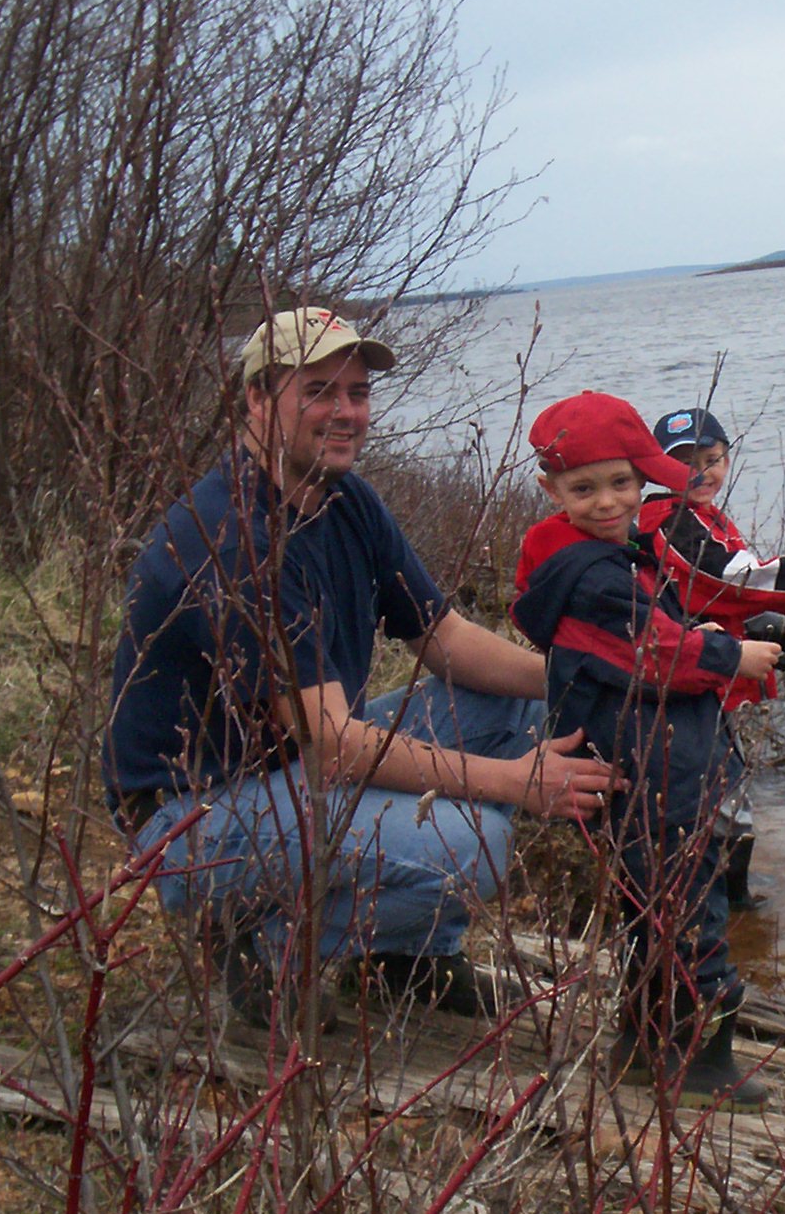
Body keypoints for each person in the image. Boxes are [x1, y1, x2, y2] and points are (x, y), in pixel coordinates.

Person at [104, 306, 620, 1027]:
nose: (346, 412)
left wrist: (586, 673)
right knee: (476, 845)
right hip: (194, 813)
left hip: (286, 767)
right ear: (257, 399)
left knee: (519, 711)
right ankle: (266, 948)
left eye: (358, 393)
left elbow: (443, 638)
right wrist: (517, 784)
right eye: (319, 391)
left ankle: (411, 957)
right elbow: (336, 746)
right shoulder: (234, 538)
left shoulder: (343, 499)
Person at [509, 391, 782, 1110]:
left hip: (644, 762)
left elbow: (658, 624)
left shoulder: (591, 554)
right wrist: (734, 657)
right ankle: (694, 1063)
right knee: (688, 914)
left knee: (653, 911)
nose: (608, 502)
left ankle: (641, 1045)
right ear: (550, 490)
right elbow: (661, 654)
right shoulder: (594, 576)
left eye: (623, 483)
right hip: (654, 769)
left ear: (642, 479)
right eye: (584, 488)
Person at [635, 406, 785, 906]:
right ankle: (727, 901)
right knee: (719, 789)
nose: (701, 472)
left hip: (711, 669)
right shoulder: (667, 520)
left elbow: (737, 594)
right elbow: (733, 575)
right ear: (656, 469)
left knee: (725, 782)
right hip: (689, 672)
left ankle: (725, 898)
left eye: (712, 458)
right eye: (683, 462)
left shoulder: (702, 516)